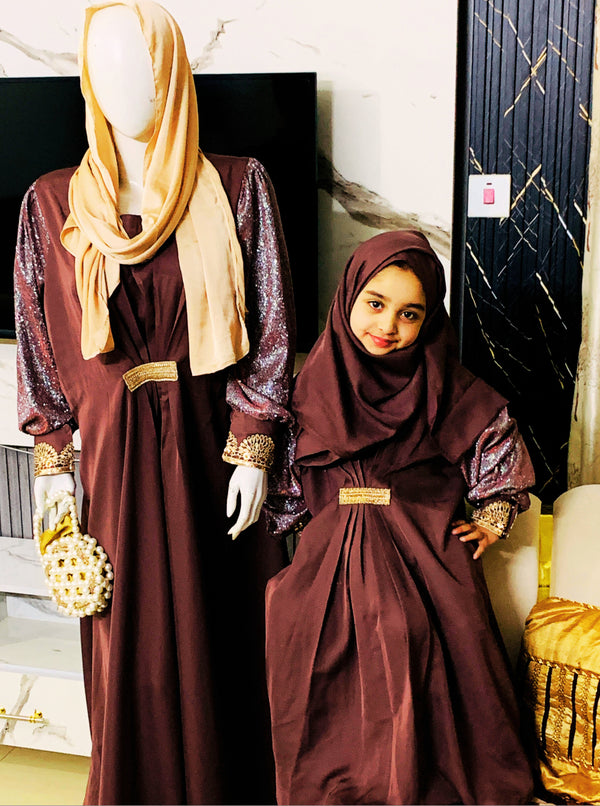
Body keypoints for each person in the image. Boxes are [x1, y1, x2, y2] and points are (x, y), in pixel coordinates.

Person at [15, 1, 294, 803]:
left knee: (221, 635)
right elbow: (39, 346)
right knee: (126, 642)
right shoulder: (52, 202)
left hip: (211, 453)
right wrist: (54, 462)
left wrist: (252, 444)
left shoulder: (239, 186)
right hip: (110, 463)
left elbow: (270, 328)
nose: (122, 85)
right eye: (103, 66)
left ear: (173, 71)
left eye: (140, 64)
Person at [264, 230, 536, 805]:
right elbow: (286, 490)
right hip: (328, 566)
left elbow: (497, 451)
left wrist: (493, 517)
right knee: (305, 644)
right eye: (375, 303)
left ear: (429, 320)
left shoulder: (450, 388)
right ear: (348, 298)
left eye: (410, 313)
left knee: (415, 640)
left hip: (424, 559)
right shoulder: (307, 391)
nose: (388, 325)